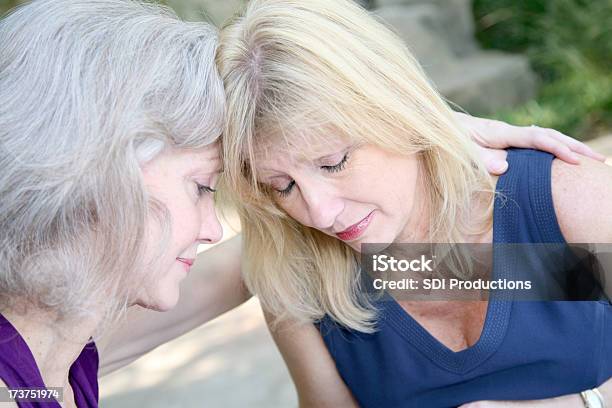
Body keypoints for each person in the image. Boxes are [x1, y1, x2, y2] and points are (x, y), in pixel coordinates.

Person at [216, 0, 612, 406]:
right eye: (282, 187)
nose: (319, 213)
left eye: (333, 163)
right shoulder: (296, 277)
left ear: (397, 111)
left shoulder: (567, 198)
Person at [0, 1, 226, 406]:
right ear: (105, 171)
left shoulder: (63, 358)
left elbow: (228, 277)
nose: (215, 230)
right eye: (201, 187)